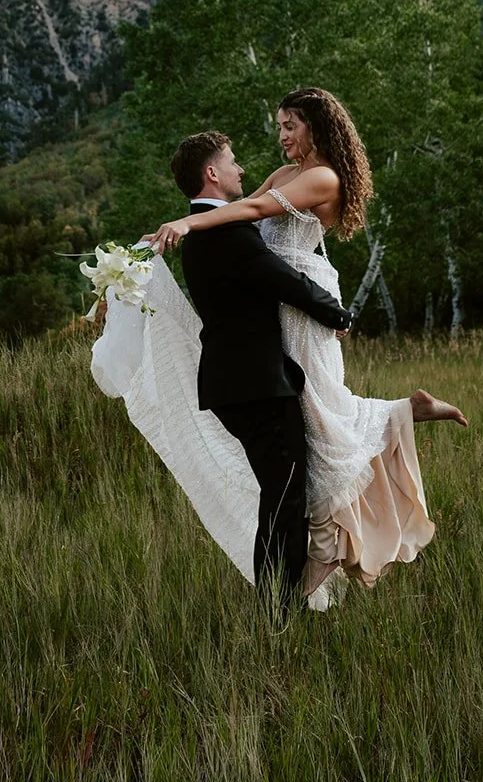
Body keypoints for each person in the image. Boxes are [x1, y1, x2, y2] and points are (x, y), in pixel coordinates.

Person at [145, 88, 467, 598]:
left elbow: (249, 213)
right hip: (282, 304)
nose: (282, 137)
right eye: (279, 127)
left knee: (321, 415)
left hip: (305, 297)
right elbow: (248, 207)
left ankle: (300, 571)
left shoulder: (322, 177)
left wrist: (188, 220)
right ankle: (404, 414)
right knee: (313, 432)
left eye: (289, 126)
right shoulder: (283, 177)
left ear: (314, 126)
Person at [171, 130, 352, 608]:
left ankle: (278, 605)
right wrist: (338, 315)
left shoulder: (204, 229)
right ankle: (278, 612)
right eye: (231, 162)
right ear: (212, 173)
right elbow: (285, 281)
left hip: (235, 383)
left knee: (280, 495)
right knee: (286, 500)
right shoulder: (226, 233)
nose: (241, 170)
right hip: (257, 386)